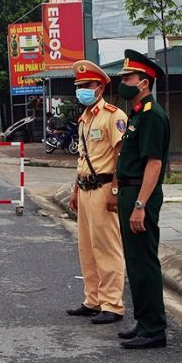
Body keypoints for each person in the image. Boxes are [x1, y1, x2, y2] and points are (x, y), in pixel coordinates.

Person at [115, 49, 170, 349]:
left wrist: (140, 205)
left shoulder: (152, 116)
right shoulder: (138, 114)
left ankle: (154, 329)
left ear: (144, 83)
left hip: (140, 195)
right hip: (129, 192)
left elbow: (154, 164)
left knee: (145, 261)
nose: (123, 82)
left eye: (128, 77)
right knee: (135, 262)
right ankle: (144, 322)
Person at [67, 60, 128, 325]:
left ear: (100, 88)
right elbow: (83, 159)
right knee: (87, 248)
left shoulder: (114, 116)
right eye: (79, 86)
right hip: (85, 189)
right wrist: (74, 190)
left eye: (87, 85)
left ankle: (112, 304)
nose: (82, 90)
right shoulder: (84, 119)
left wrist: (115, 190)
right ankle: (93, 300)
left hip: (104, 189)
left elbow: (121, 156)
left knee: (107, 248)